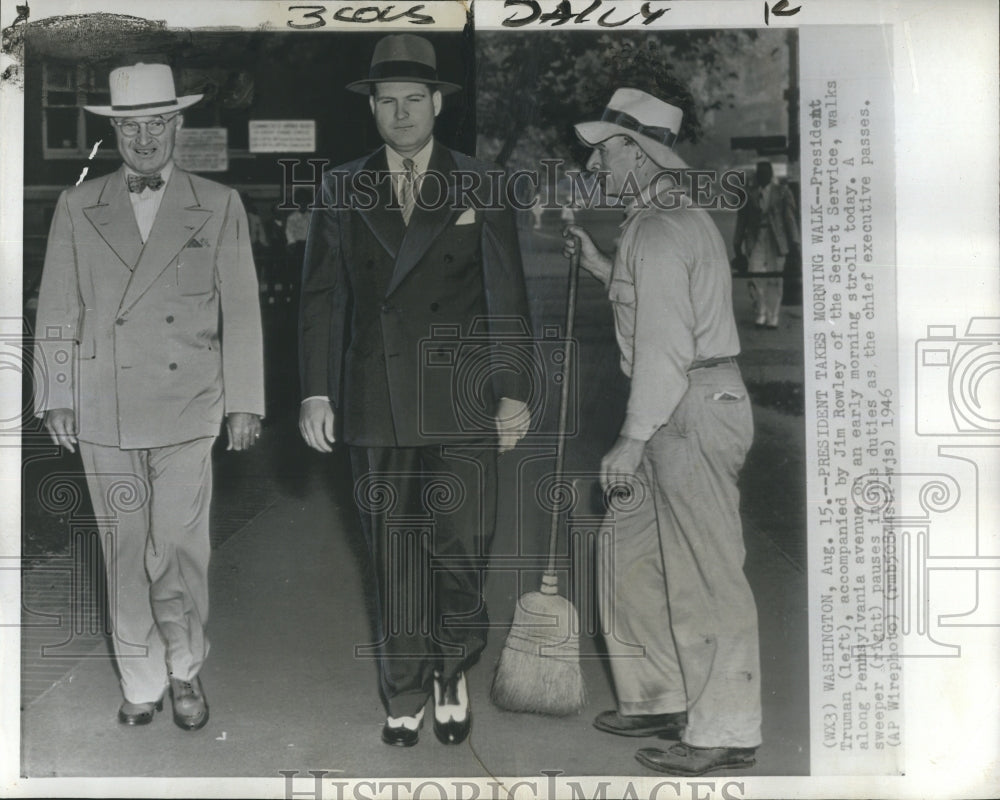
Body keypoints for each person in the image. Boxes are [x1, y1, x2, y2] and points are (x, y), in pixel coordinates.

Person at [298, 34, 532, 748]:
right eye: (386, 102)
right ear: (372, 109)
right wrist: (315, 392)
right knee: (394, 550)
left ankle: (452, 669)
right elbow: (320, 298)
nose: (400, 114)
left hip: (460, 400)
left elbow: (508, 298)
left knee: (462, 550)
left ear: (437, 104)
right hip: (376, 401)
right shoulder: (342, 187)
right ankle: (403, 686)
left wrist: (514, 390)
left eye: (413, 100)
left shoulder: (479, 184)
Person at [33, 62, 265, 731]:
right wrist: (55, 390)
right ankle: (140, 675)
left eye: (156, 123)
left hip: (189, 406)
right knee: (125, 544)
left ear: (178, 125)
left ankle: (185, 667)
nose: (144, 139)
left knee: (180, 546)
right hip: (103, 409)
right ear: (115, 133)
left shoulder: (218, 204)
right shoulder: (79, 206)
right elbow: (58, 306)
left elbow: (242, 312)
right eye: (130, 126)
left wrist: (244, 399)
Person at [563, 88, 761, 776]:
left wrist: (631, 437)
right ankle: (659, 694)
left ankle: (723, 730)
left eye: (602, 150)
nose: (594, 163)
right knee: (629, 553)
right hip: (677, 402)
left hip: (687, 404)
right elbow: (652, 302)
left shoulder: (659, 229)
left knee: (704, 573)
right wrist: (599, 266)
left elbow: (666, 347)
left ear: (637, 151)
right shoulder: (657, 223)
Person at [733, 160, 800, 329]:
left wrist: (795, 243)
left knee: (775, 278)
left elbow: (790, 219)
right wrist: (737, 243)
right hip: (755, 239)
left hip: (777, 240)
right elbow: (742, 220)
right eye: (759, 173)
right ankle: (761, 312)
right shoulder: (748, 194)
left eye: (765, 172)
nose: (762, 176)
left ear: (771, 175)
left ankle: (773, 316)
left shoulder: (782, 192)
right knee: (755, 275)